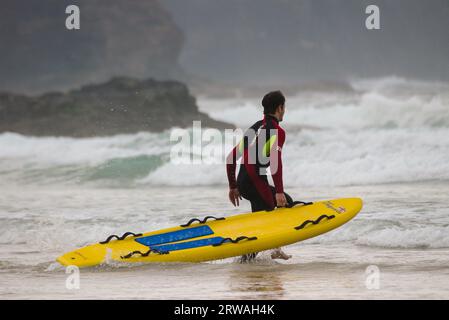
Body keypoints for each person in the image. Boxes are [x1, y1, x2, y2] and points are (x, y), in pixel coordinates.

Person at [226, 90, 293, 262]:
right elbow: (275, 162)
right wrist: (278, 191)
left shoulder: (255, 127)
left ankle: (271, 250)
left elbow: (231, 158)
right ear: (280, 108)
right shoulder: (277, 131)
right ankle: (246, 262)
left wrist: (233, 186)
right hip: (255, 183)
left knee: (263, 220)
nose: (284, 110)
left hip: (244, 183)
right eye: (284, 107)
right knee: (284, 204)